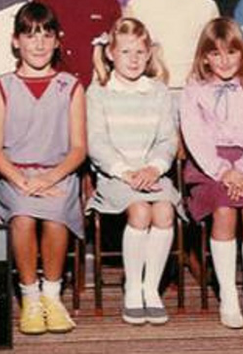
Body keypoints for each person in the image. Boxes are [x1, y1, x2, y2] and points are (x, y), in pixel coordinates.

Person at [0, 2, 86, 335]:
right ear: (16, 41)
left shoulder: (71, 86)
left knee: (56, 214)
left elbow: (78, 149)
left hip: (59, 173)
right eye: (30, 35)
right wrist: (22, 181)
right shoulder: (2, 86)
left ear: (58, 41)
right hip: (14, 175)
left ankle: (52, 296)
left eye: (46, 35)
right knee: (24, 218)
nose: (39, 43)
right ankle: (30, 297)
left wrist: (49, 178)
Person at [180, 18, 243, 330]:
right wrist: (224, 171)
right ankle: (228, 296)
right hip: (208, 166)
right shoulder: (193, 91)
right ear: (205, 57)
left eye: (232, 53)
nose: (224, 61)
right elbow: (195, 138)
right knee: (223, 210)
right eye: (216, 54)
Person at [86, 17, 180, 325]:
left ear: (149, 54)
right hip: (115, 176)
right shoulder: (99, 92)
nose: (133, 59)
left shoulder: (158, 91)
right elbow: (96, 142)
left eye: (140, 52)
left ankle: (150, 288)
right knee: (140, 212)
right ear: (111, 53)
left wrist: (154, 168)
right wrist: (126, 172)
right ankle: (132, 290)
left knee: (164, 212)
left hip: (152, 173)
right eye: (126, 52)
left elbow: (167, 139)